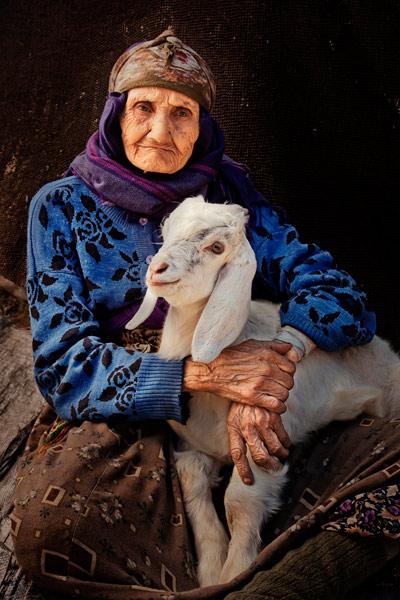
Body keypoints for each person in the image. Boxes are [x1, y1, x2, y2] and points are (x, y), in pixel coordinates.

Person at [10, 29, 398, 599]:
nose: (161, 131)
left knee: (389, 463)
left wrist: (276, 362)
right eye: (144, 107)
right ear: (116, 115)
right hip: (118, 416)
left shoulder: (228, 203)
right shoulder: (61, 206)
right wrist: (203, 374)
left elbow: (339, 295)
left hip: (254, 409)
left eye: (182, 114)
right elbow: (63, 365)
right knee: (53, 530)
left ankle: (268, 588)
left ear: (203, 127)